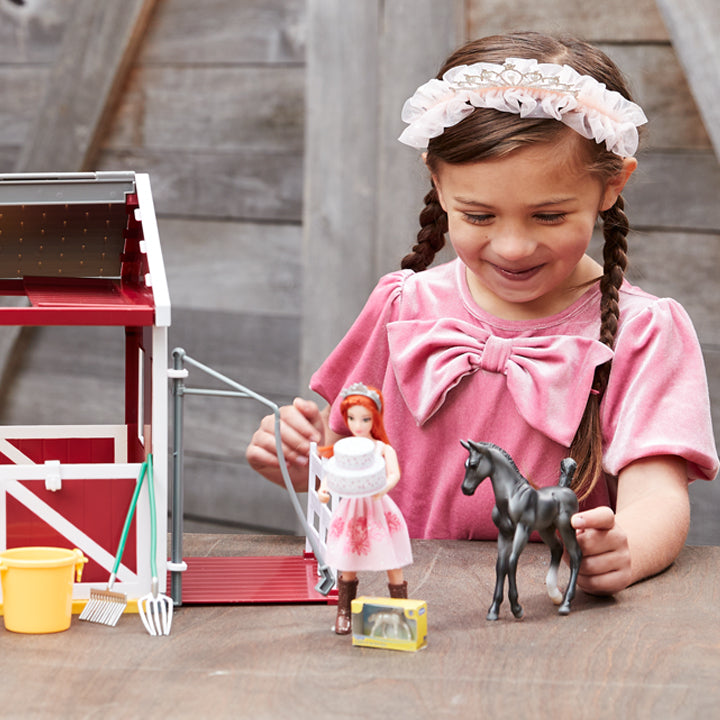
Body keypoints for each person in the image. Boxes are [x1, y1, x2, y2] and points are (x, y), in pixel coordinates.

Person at [247, 31, 718, 598]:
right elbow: (353, 453)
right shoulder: (403, 308)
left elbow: (658, 496)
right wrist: (306, 458)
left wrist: (627, 549)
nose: (513, 247)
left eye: (547, 216)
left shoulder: (645, 334)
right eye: (479, 215)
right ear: (437, 184)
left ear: (611, 185)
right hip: (399, 605)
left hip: (550, 625)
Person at [317, 382, 412, 634]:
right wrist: (324, 489)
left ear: (375, 419)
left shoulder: (382, 448)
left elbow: (394, 474)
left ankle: (401, 609)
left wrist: (383, 488)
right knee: (348, 558)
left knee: (391, 557)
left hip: (377, 507)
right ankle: (344, 611)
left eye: (364, 419)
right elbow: (333, 470)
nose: (357, 425)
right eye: (351, 418)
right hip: (352, 509)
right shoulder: (347, 448)